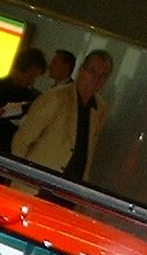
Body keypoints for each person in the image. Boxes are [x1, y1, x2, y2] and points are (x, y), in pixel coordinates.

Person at [11, 48, 114, 180]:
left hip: (69, 185)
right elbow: (23, 139)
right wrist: (21, 175)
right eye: (92, 72)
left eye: (103, 76)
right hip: (38, 181)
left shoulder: (100, 108)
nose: (96, 79)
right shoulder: (57, 97)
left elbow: (87, 152)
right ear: (81, 70)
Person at [0, 46, 46, 154]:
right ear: (20, 70)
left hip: (8, 150)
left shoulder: (32, 98)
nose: (31, 81)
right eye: (30, 76)